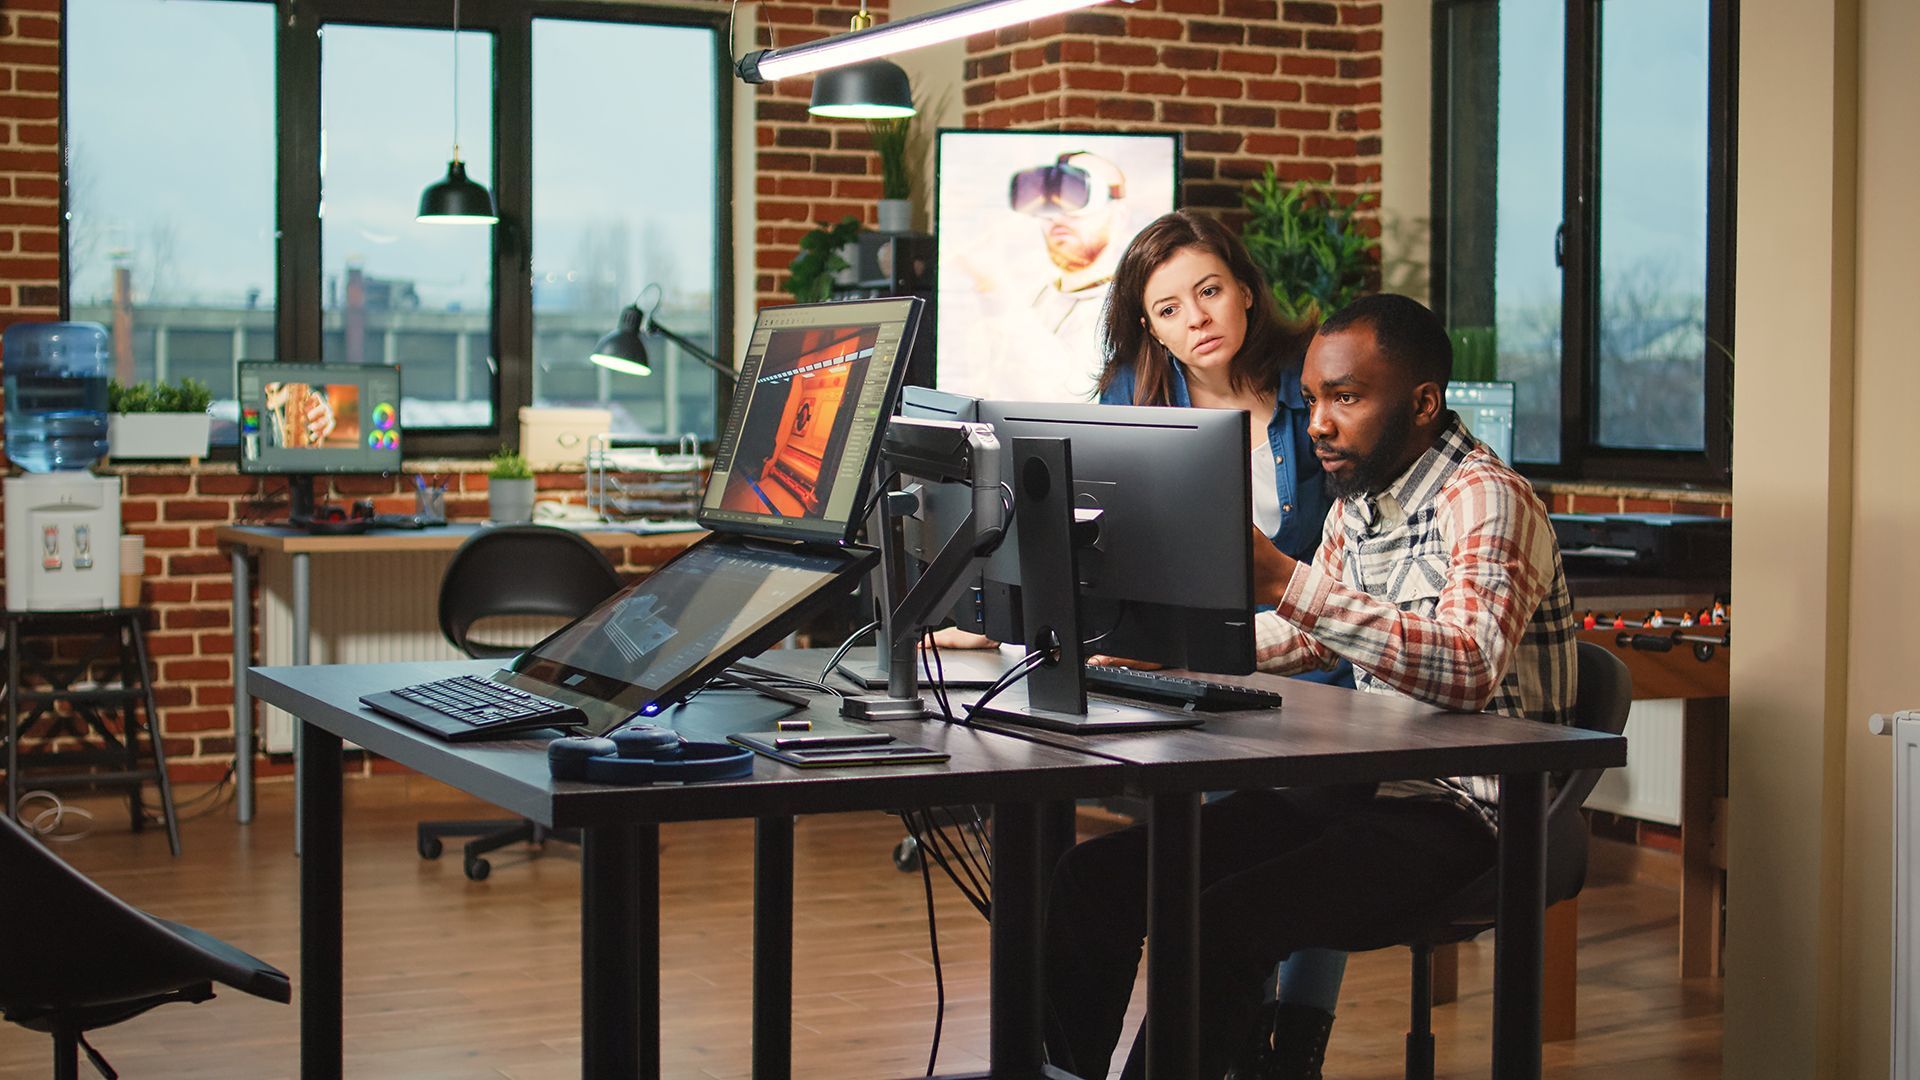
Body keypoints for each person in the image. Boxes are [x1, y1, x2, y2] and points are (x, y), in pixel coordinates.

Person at [1041, 293, 1578, 1080]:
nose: (1319, 422)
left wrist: (1286, 579)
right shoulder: (1360, 499)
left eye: (1346, 398)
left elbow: (1468, 664)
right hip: (1365, 782)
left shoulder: (1485, 498)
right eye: (1316, 397)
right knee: (1094, 879)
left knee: (1220, 925)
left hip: (1471, 807)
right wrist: (1178, 656)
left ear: (1424, 403)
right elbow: (1306, 633)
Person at [944, 151, 1130, 403]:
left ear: (1119, 215)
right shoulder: (1036, 294)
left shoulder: (1124, 308)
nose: (1056, 215)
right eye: (1047, 200)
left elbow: (1072, 398)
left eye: (1075, 194)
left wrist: (995, 288)